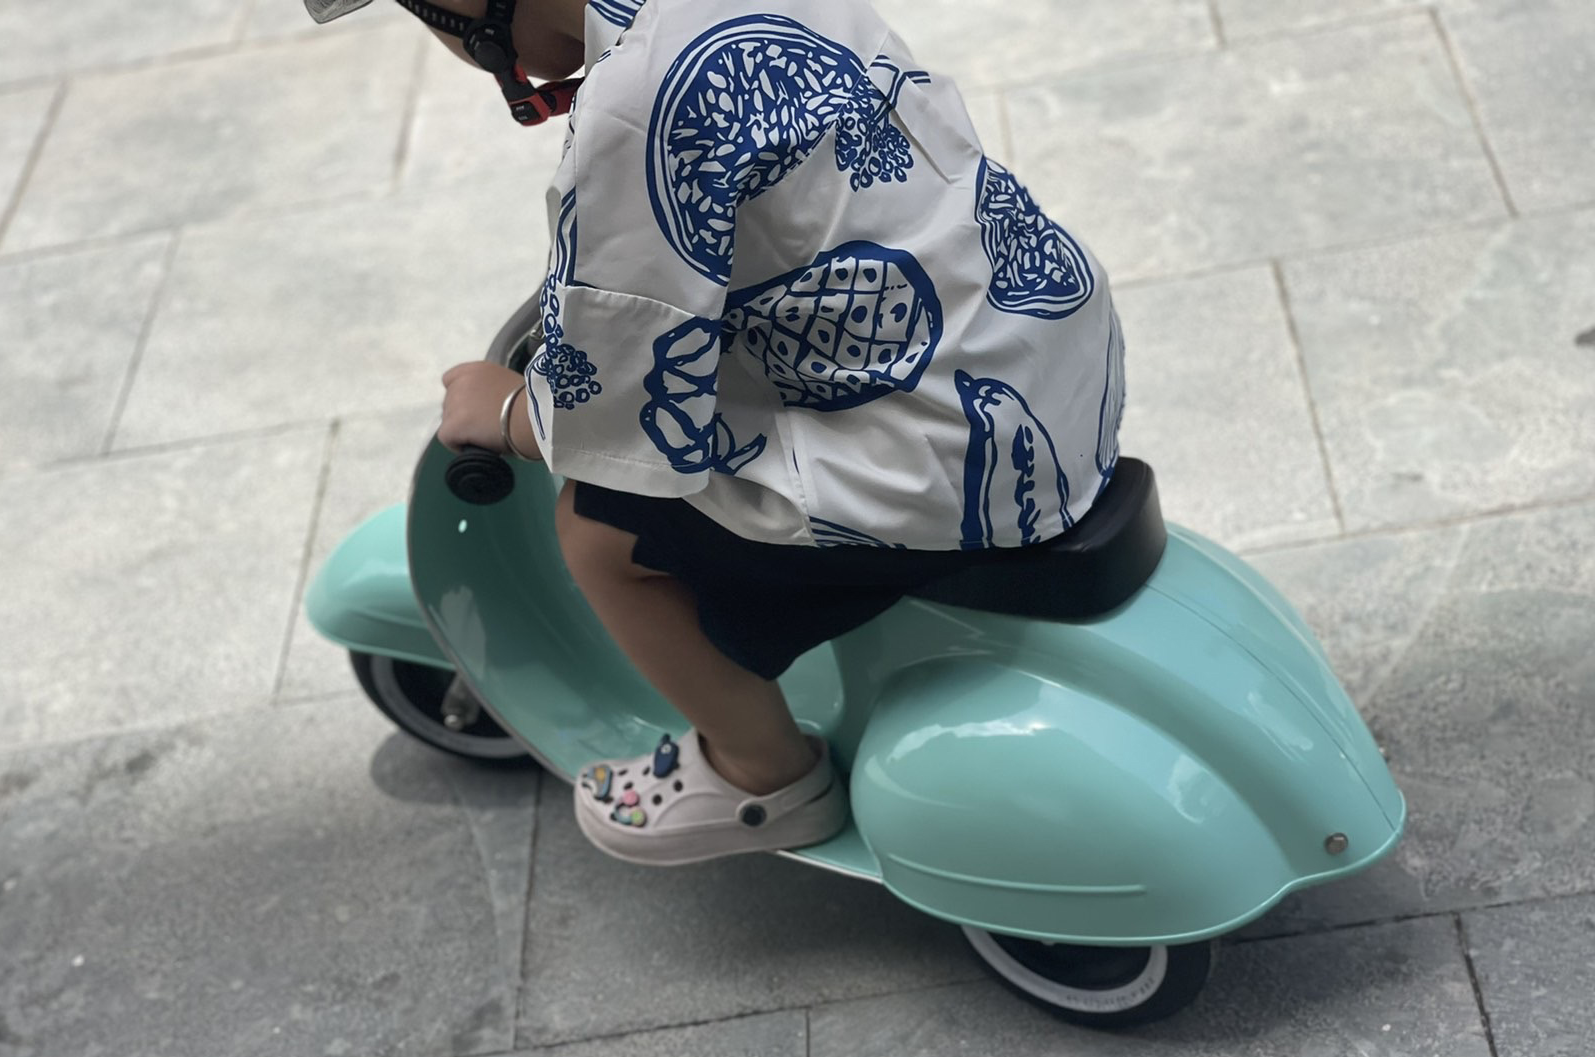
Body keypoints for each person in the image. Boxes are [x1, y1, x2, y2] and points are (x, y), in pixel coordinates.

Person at [307, 0, 1125, 866]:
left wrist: (511, 412)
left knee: (596, 530)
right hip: (1047, 355)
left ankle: (765, 774)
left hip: (939, 462)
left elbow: (614, 407)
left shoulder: (634, 107)